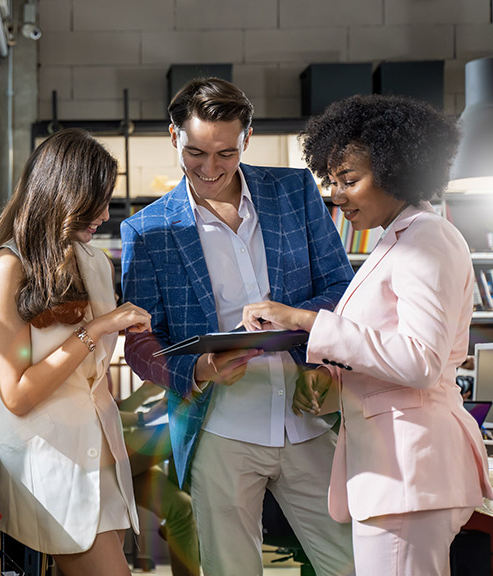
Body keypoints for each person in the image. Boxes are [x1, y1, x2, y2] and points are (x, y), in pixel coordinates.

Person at [242, 94, 493, 576]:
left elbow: (420, 360)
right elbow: (390, 359)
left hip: (409, 472)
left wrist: (307, 321)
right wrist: (334, 386)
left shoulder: (426, 239)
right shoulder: (397, 239)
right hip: (396, 471)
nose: (337, 196)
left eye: (350, 181)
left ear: (398, 171)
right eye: (332, 181)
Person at [120, 77, 356, 576]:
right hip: (218, 429)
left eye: (225, 153)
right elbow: (141, 341)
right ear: (173, 138)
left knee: (353, 563)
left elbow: (341, 285)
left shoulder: (294, 192)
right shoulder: (148, 230)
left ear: (246, 139)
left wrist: (304, 336)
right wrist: (199, 368)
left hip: (307, 418)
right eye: (196, 153)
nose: (210, 168)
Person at [0, 128, 152, 576]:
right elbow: (15, 395)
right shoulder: (7, 267)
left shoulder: (91, 260)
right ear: (63, 195)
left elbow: (94, 377)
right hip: (49, 462)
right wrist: (95, 329)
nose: (105, 215)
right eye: (95, 203)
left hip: (101, 454)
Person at [118, 380, 200, 576]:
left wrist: (143, 393)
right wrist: (144, 417)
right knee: (179, 431)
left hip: (123, 459)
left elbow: (109, 410)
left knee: (182, 508)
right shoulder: (84, 358)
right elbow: (97, 417)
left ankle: (188, 512)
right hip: (101, 459)